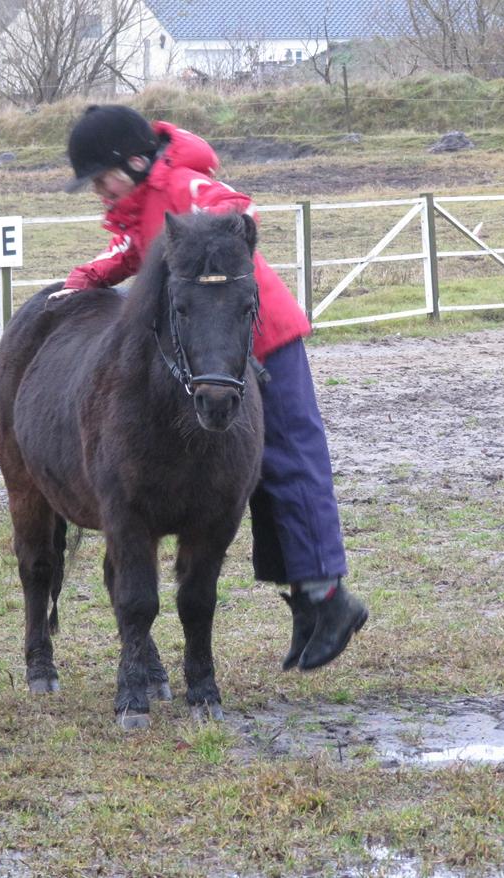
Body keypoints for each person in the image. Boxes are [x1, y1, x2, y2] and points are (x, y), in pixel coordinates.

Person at [56, 104, 367, 672]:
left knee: (290, 460)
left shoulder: (181, 183)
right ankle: (305, 600)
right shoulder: (144, 203)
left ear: (133, 161)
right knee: (253, 476)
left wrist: (215, 225)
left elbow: (227, 206)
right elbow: (139, 254)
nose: (99, 191)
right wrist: (86, 278)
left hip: (262, 336)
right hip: (207, 352)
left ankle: (329, 597)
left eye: (101, 178)